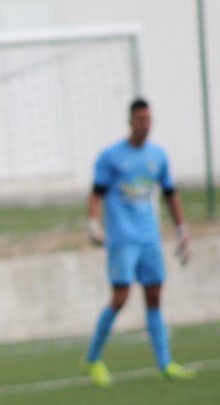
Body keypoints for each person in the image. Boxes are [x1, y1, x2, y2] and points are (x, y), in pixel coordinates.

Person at [83, 97, 195, 387]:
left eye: (148, 120)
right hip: (122, 238)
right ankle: (93, 358)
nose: (145, 125)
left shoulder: (158, 156)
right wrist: (93, 225)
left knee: (154, 295)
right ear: (130, 121)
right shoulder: (110, 157)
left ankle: (164, 363)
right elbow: (96, 193)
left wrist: (182, 229)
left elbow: (170, 194)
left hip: (149, 238)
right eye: (140, 120)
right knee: (120, 297)